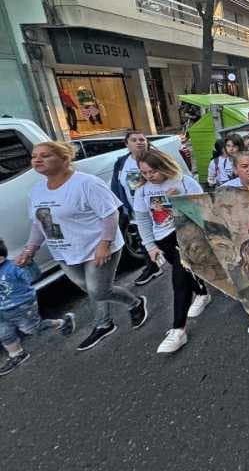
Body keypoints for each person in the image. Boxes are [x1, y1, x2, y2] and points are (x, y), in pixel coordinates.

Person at [17, 142, 147, 352]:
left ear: (65, 159)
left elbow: (110, 214)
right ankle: (106, 322)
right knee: (90, 288)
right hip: (64, 251)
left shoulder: (86, 183)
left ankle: (133, 304)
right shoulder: (37, 191)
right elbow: (39, 223)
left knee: (98, 290)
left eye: (45, 156)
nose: (37, 160)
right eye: (34, 156)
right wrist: (29, 249)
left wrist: (104, 244)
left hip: (97, 246)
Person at [133, 150, 208, 354]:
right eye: (145, 173)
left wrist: (181, 201)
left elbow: (203, 211)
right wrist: (150, 246)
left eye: (153, 171)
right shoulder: (142, 191)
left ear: (164, 165)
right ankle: (202, 293)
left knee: (179, 279)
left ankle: (178, 329)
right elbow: (142, 220)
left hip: (187, 233)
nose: (149, 176)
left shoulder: (183, 181)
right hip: (162, 238)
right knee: (184, 271)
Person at [1, 238, 75, 375]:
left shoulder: (13, 267)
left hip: (22, 306)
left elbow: (34, 276)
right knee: (4, 332)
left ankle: (63, 322)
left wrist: (29, 264)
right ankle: (16, 354)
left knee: (33, 329)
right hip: (2, 311)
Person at [110, 131, 161, 286]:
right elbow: (116, 185)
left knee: (168, 238)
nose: (139, 142)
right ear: (127, 144)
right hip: (136, 210)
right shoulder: (121, 162)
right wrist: (121, 206)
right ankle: (152, 267)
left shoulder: (156, 158)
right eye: (134, 140)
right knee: (143, 239)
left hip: (159, 208)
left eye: (142, 139)